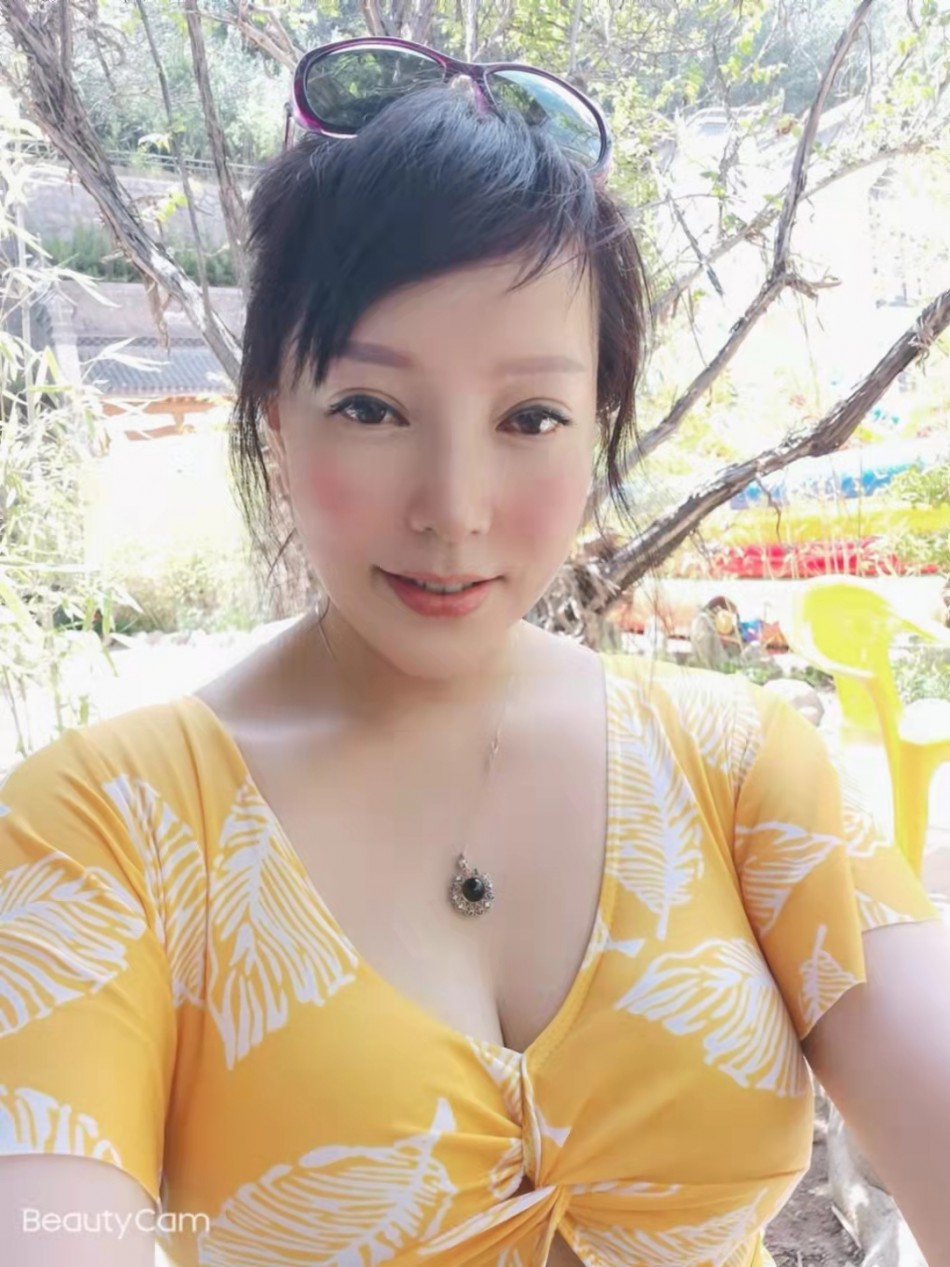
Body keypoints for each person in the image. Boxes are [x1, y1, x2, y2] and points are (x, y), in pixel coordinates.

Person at [1, 37, 949, 1267]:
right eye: (371, 408)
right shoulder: (105, 828)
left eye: (529, 417)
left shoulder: (737, 766)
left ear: (595, 426)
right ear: (275, 413)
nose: (453, 509)